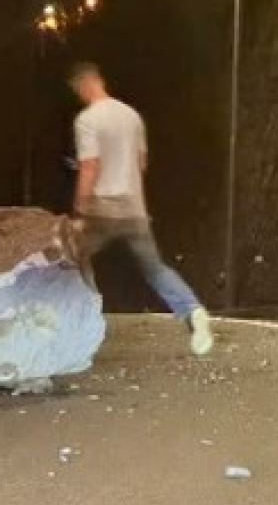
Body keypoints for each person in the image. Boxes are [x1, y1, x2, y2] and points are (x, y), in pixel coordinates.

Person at [66, 62, 213, 356]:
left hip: (102, 210)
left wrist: (80, 210)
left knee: (71, 262)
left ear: (82, 86)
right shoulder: (132, 116)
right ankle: (192, 309)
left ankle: (73, 327)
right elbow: (141, 163)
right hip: (134, 209)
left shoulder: (87, 120)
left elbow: (90, 166)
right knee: (155, 268)